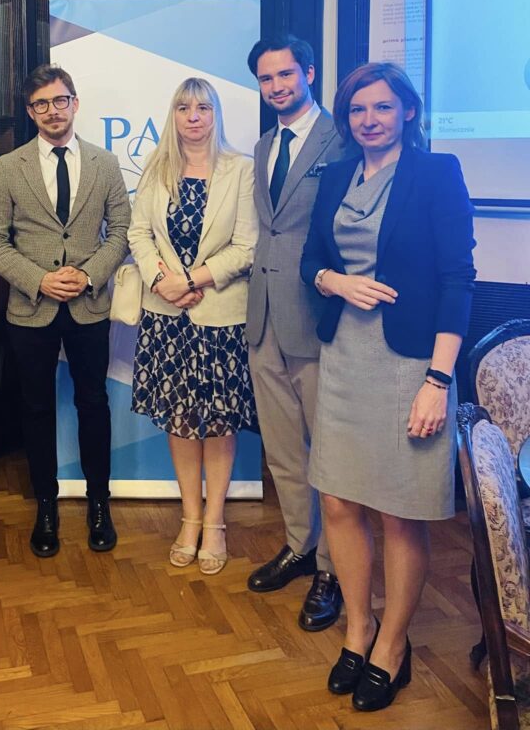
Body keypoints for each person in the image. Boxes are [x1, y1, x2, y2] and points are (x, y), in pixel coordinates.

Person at [300, 61, 475, 712]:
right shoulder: (336, 175)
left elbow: (458, 279)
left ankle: (394, 646)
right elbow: (312, 261)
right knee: (339, 503)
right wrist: (335, 282)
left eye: (381, 107)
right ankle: (359, 628)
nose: (368, 119)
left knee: (401, 512)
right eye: (357, 110)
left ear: (407, 111)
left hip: (411, 364)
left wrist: (438, 381)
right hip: (344, 355)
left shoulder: (436, 173)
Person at [0, 63, 129, 558]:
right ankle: (45, 505)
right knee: (36, 407)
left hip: (89, 305)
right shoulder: (8, 167)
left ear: (74, 103)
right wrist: (38, 280)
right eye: (40, 104)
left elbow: (121, 232)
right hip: (31, 308)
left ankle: (99, 504)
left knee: (94, 404)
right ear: (30, 112)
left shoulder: (105, 164)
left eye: (60, 101)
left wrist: (89, 275)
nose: (52, 111)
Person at [128, 77, 257, 575]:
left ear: (215, 114)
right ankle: (190, 519)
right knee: (180, 419)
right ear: (174, 115)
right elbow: (139, 234)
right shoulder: (156, 167)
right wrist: (163, 281)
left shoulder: (241, 170)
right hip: (166, 317)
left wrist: (192, 279)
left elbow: (246, 246)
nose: (193, 116)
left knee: (219, 422)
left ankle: (216, 522)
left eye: (203, 107)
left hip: (220, 316)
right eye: (183, 107)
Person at [245, 35, 346, 631]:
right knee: (283, 451)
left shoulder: (342, 138)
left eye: (286, 74)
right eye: (266, 78)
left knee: (327, 457)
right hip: (262, 320)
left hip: (315, 318)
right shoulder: (263, 145)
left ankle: (333, 569)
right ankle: (299, 545)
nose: (277, 86)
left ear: (308, 73)